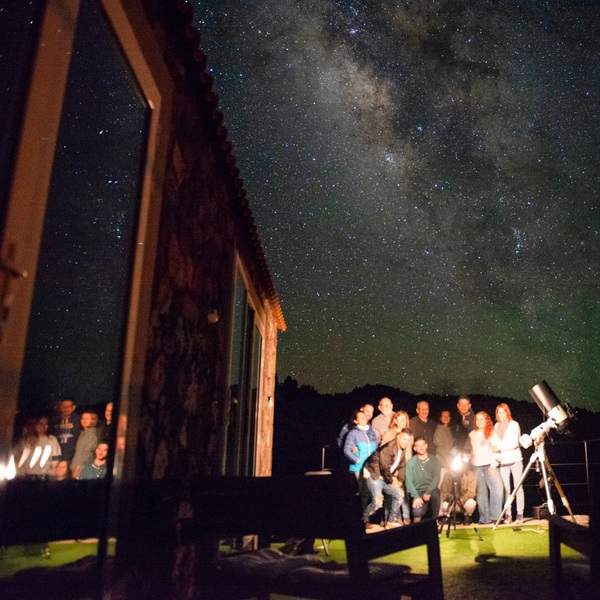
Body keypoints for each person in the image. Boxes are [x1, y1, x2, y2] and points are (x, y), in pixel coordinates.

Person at [364, 428, 410, 528]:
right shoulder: (389, 448)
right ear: (398, 437)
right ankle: (362, 520)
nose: (406, 442)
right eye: (404, 439)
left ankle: (390, 521)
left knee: (399, 494)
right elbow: (385, 468)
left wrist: (400, 481)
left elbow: (403, 466)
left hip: (385, 477)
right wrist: (392, 481)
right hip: (375, 475)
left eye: (408, 440)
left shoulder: (402, 450)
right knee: (378, 502)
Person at [469, 411, 503, 524]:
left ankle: (496, 516)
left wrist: (493, 466)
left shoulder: (492, 433)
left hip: (490, 466)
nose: (479, 422)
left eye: (482, 419)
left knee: (497, 488)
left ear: (487, 420)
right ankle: (485, 518)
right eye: (477, 420)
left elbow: (497, 450)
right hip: (477, 467)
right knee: (480, 493)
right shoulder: (472, 434)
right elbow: (470, 451)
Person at [495, 403, 525, 524]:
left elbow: (514, 443)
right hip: (503, 463)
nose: (501, 415)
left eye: (504, 412)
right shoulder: (496, 426)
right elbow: (495, 445)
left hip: (515, 460)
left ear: (507, 413)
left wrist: (500, 447)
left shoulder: (514, 424)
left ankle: (520, 514)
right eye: (499, 413)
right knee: (506, 490)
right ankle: (508, 514)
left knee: (518, 488)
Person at [405, 436, 441, 522]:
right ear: (415, 448)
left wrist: (428, 492)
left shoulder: (435, 460)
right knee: (417, 512)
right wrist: (416, 496)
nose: (421, 448)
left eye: (423, 445)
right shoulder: (411, 462)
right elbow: (408, 481)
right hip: (418, 491)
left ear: (426, 445)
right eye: (418, 446)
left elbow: (436, 477)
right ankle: (416, 529)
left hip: (431, 489)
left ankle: (435, 522)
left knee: (435, 495)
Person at [50, 398, 82, 463]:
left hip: (73, 458)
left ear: (73, 407)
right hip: (57, 457)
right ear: (60, 408)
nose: (66, 409)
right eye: (64, 407)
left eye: (69, 407)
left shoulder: (79, 420)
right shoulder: (54, 421)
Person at [70, 411, 99, 478]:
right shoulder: (83, 433)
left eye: (87, 419)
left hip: (81, 470)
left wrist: (77, 469)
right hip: (75, 466)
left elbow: (86, 454)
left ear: (92, 420)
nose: (84, 421)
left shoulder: (91, 434)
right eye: (83, 418)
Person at [434, 410, 454, 490]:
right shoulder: (439, 430)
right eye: (444, 416)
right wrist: (448, 461)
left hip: (449, 460)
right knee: (442, 484)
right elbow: (440, 447)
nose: (446, 418)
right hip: (442, 461)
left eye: (447, 416)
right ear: (440, 418)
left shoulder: (449, 429)